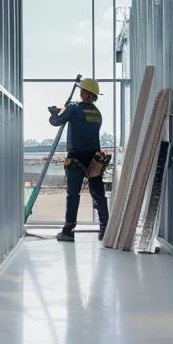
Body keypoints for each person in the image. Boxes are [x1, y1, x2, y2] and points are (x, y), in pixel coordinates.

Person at [48, 78, 109, 241]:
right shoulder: (97, 113)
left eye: (83, 91)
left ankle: (68, 230)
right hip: (94, 159)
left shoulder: (74, 108)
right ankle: (105, 229)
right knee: (99, 194)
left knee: (73, 195)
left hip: (76, 158)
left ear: (85, 94)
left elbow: (56, 122)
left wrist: (54, 113)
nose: (81, 93)